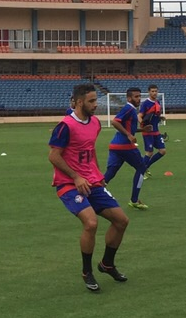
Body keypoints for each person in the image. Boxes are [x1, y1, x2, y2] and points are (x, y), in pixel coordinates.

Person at [49, 83, 131, 291]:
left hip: (92, 181)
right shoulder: (65, 126)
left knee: (121, 221)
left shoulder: (94, 123)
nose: (96, 105)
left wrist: (96, 174)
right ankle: (87, 271)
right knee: (91, 223)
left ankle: (107, 264)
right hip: (68, 184)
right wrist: (76, 177)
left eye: (96, 100)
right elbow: (54, 156)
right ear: (78, 102)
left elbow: (89, 150)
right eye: (91, 101)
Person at [104, 87, 150, 210]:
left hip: (115, 146)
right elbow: (115, 122)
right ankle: (134, 200)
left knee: (112, 171)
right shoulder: (128, 108)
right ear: (129, 98)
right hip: (125, 146)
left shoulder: (131, 110)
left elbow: (129, 128)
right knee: (141, 167)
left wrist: (141, 130)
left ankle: (95, 192)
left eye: (140, 96)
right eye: (136, 96)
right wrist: (129, 135)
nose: (139, 99)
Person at [140, 84, 167, 175]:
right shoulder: (145, 104)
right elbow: (139, 116)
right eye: (152, 91)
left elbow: (156, 115)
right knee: (149, 152)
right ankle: (141, 171)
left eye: (156, 91)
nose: (154, 93)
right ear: (149, 92)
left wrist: (161, 117)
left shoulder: (157, 102)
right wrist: (143, 126)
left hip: (156, 131)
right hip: (148, 132)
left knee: (162, 151)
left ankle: (146, 167)